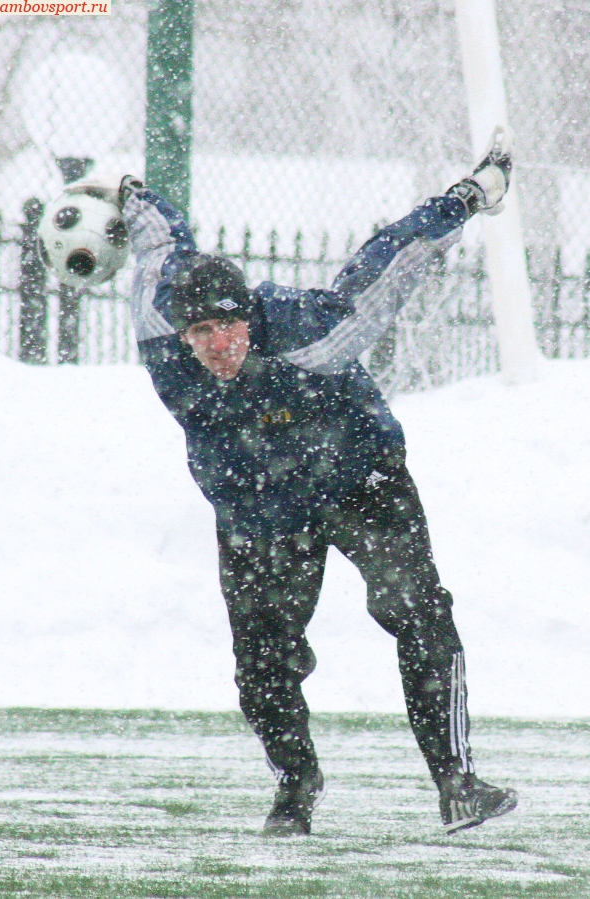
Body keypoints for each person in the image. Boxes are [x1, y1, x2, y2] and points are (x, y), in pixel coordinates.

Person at [90, 127, 518, 836]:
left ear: (249, 322)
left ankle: (457, 781)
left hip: (359, 480)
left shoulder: (315, 331)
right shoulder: (159, 334)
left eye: (228, 327)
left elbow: (392, 260)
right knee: (260, 665)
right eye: (201, 333)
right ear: (182, 335)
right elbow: (161, 245)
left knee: (419, 614)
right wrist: (132, 192)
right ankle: (296, 783)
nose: (216, 344)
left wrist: (469, 197)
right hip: (258, 511)